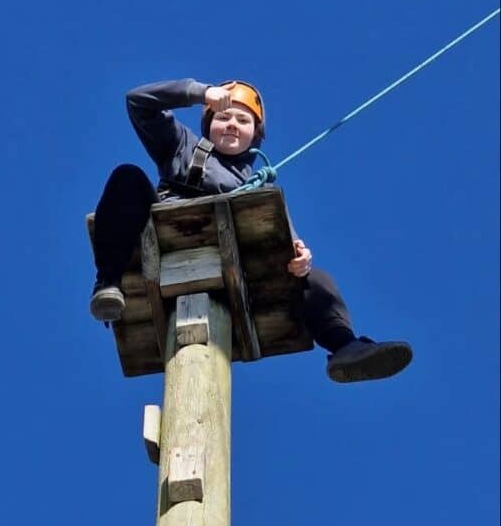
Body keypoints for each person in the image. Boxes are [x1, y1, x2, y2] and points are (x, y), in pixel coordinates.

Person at [89, 78, 412, 383]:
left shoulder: (260, 188)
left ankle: (345, 346)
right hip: (166, 232)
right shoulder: (181, 146)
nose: (232, 124)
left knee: (317, 280)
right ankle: (108, 284)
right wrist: (201, 93)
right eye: (223, 117)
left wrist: (301, 258)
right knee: (127, 177)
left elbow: (288, 240)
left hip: (240, 266)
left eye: (243, 122)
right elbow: (137, 101)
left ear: (255, 135)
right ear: (209, 124)